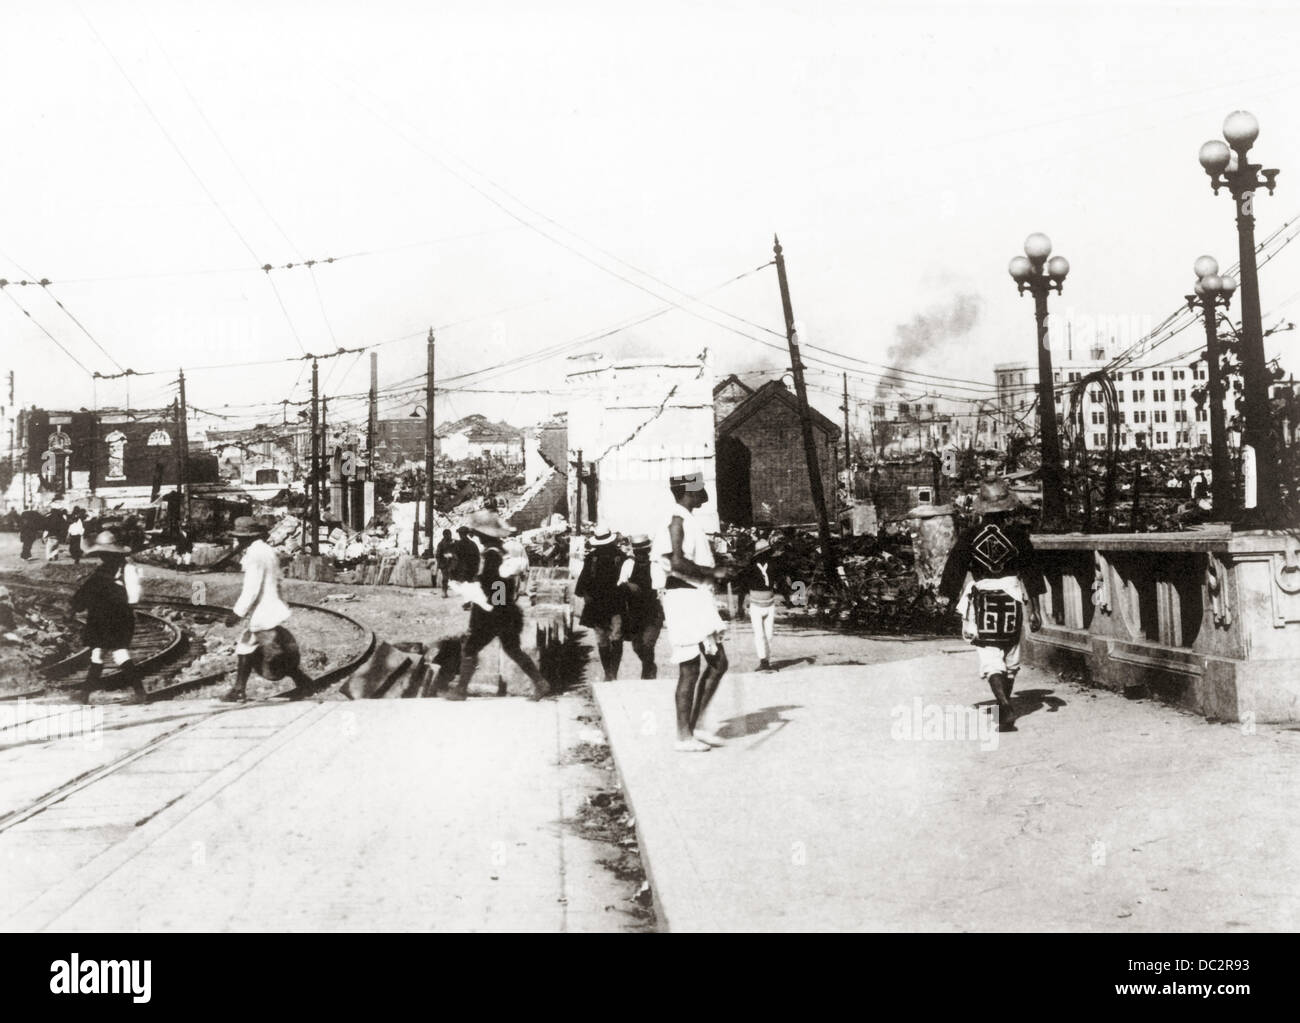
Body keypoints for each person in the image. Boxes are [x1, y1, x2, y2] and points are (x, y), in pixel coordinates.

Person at [938, 480, 1043, 732]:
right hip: (1012, 597)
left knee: (989, 653)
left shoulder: (970, 536)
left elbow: (955, 568)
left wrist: (946, 598)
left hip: (982, 599)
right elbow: (1031, 572)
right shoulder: (1018, 535)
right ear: (1008, 508)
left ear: (982, 508)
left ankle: (1004, 705)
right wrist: (1035, 609)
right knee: (1011, 654)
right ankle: (1004, 703)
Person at [650, 471, 733, 752]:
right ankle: (683, 736)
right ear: (689, 491)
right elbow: (676, 562)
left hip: (697, 596)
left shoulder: (687, 518)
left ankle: (694, 727)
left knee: (718, 663)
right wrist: (714, 571)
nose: (705, 492)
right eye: (700, 488)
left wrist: (715, 568)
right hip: (683, 598)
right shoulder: (676, 519)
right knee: (690, 668)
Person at [444, 509, 550, 701]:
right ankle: (540, 683)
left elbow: (497, 585)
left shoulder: (492, 555)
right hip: (505, 611)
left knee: (470, 648)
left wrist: (489, 604)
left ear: (483, 535)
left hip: (493, 613)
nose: (474, 536)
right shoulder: (499, 551)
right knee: (512, 649)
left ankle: (460, 690)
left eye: (476, 533)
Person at [222, 516, 315, 703]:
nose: (238, 540)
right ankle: (302, 680)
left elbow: (251, 588)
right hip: (272, 605)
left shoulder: (255, 555)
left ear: (247, 537)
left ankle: (239, 690)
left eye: (239, 537)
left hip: (264, 609)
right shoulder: (266, 550)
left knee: (248, 646)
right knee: (266, 646)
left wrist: (237, 613)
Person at [67, 529, 146, 704]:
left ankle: (139, 692)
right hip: (115, 617)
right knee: (106, 654)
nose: (103, 556)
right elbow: (134, 597)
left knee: (109, 654)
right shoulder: (124, 569)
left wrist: (74, 607)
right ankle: (85, 694)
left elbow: (86, 593)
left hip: (107, 618)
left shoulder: (110, 572)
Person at [575, 526, 627, 681]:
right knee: (612, 638)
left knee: (606, 639)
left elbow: (582, 584)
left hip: (601, 605)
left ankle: (610, 673)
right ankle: (611, 673)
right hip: (612, 604)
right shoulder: (618, 556)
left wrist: (585, 595)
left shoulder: (594, 557)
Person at [735, 538, 787, 671]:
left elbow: (781, 582)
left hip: (769, 604)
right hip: (756, 605)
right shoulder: (750, 568)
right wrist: (740, 607)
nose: (769, 554)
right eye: (767, 551)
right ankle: (763, 660)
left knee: (768, 635)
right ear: (761, 553)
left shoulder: (773, 565)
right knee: (760, 634)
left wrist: (788, 597)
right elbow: (742, 588)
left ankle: (766, 661)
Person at [619, 534, 663, 679]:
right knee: (637, 646)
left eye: (643, 552)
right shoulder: (628, 564)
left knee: (647, 644)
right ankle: (650, 666)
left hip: (652, 611)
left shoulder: (656, 565)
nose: (640, 555)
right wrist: (628, 585)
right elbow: (620, 584)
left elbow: (661, 588)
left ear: (648, 551)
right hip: (634, 611)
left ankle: (647, 674)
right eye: (638, 552)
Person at [434, 528, 456, 596]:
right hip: (444, 563)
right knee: (445, 578)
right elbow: (438, 555)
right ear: (444, 535)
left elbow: (456, 551)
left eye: (450, 534)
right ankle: (444, 591)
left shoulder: (453, 543)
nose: (449, 536)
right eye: (448, 534)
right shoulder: (441, 544)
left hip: (452, 563)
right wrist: (444, 558)